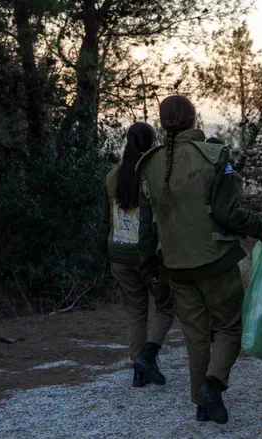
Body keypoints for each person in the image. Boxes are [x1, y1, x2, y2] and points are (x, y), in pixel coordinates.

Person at [136, 96, 262, 424]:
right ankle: (212, 386)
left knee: (195, 335)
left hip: (176, 267)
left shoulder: (150, 164)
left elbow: (146, 226)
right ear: (192, 118)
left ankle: (201, 404)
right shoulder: (214, 155)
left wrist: (149, 266)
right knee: (229, 327)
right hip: (217, 261)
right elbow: (229, 213)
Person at [101, 122, 175, 388]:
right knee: (165, 307)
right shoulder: (153, 177)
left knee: (136, 313)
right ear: (152, 144)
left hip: (118, 254)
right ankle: (147, 356)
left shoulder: (112, 177)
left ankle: (138, 370)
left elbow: (107, 218)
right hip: (148, 258)